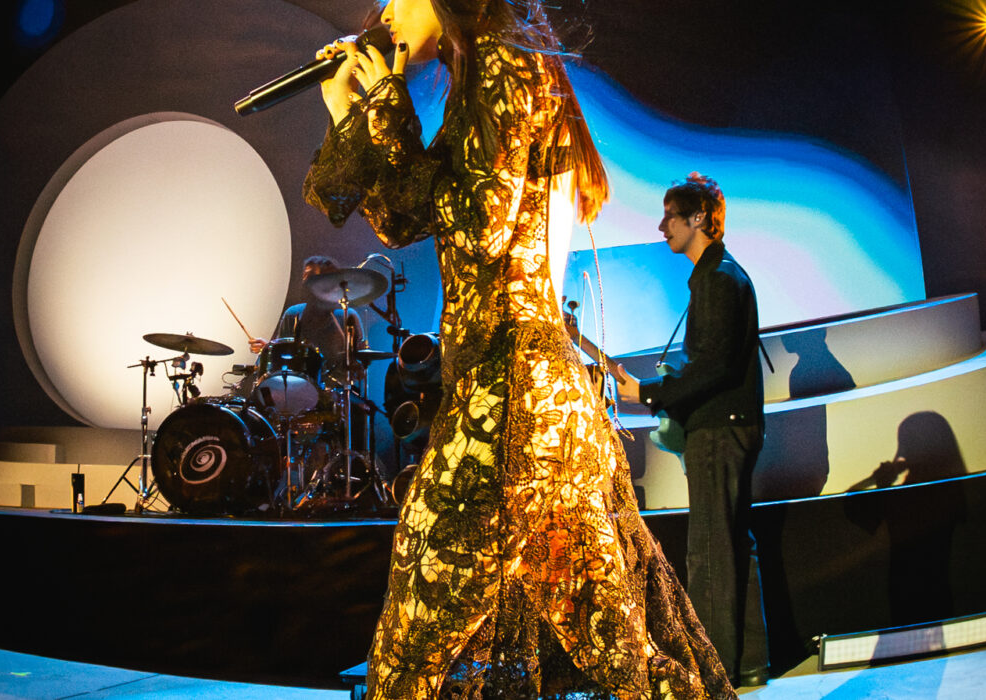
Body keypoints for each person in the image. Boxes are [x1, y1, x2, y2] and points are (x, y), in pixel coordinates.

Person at [303, 2, 735, 697]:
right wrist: (350, 109)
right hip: (521, 394)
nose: (385, 13)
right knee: (614, 644)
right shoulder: (489, 73)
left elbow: (478, 227)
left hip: (511, 393)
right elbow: (405, 217)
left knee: (418, 637)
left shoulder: (506, 63)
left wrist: (386, 104)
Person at [615, 174, 770, 688]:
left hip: (719, 431)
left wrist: (650, 393)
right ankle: (748, 663)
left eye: (670, 216)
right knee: (732, 545)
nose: (662, 227)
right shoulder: (719, 275)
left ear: (698, 218)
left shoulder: (718, 279)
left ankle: (716, 675)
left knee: (710, 552)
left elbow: (713, 366)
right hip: (730, 427)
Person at [248, 254, 364, 387]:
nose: (305, 281)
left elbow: (360, 365)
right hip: (296, 388)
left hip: (337, 390)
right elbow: (282, 356)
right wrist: (269, 349)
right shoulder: (293, 313)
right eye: (305, 276)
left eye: (313, 277)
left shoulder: (347, 316)